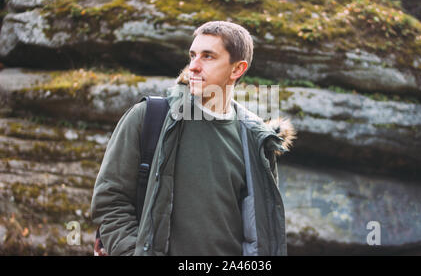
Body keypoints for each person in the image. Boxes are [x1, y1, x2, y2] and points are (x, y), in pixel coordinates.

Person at [90, 21, 296, 256]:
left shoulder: (256, 140)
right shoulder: (149, 117)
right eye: (193, 55)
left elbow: (262, 229)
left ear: (237, 69)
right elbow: (110, 200)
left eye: (208, 57)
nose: (194, 67)